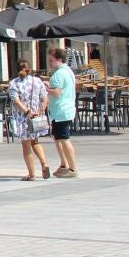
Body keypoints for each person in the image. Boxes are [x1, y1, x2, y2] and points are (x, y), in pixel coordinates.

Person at [8, 60, 51, 180]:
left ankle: (32, 174)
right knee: (35, 141)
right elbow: (44, 98)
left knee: (26, 146)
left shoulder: (14, 83)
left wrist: (27, 112)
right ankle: (44, 163)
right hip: (36, 117)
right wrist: (41, 110)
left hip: (23, 118)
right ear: (29, 68)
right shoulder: (37, 81)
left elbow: (16, 102)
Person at [45, 47, 79, 177]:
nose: (49, 63)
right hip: (64, 109)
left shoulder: (59, 74)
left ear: (59, 60)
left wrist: (46, 88)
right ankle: (64, 164)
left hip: (61, 109)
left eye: (51, 60)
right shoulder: (67, 71)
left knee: (64, 139)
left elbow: (57, 92)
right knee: (58, 138)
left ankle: (73, 168)